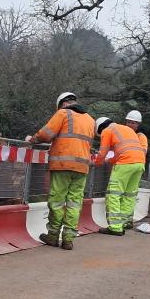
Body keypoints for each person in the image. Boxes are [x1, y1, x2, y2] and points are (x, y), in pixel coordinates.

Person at [26, 91, 96, 251]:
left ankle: (52, 235)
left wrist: (32, 140)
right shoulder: (91, 120)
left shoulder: (63, 113)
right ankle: (68, 239)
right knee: (74, 203)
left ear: (62, 103)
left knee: (57, 201)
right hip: (82, 167)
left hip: (62, 165)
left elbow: (46, 134)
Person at [93, 112, 147, 235]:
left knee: (114, 194)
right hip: (139, 163)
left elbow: (102, 152)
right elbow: (121, 152)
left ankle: (115, 227)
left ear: (101, 128)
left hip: (125, 164)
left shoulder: (107, 130)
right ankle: (124, 222)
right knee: (129, 195)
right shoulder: (125, 129)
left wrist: (97, 162)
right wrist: (108, 160)